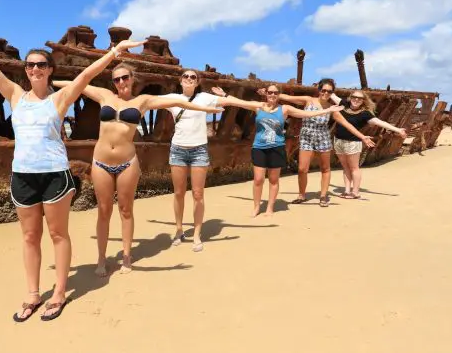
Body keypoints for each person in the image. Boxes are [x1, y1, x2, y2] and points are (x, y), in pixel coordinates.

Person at [0, 14, 142, 322]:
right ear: (26, 70)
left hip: (55, 175)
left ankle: (58, 292)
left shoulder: (59, 100)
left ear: (49, 71)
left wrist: (114, 53)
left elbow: (85, 75)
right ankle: (32, 293)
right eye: (30, 65)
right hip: (24, 176)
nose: (34, 69)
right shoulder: (15, 96)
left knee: (58, 233)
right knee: (30, 236)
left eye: (41, 65)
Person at [53, 65, 223, 275]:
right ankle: (101, 259)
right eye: (117, 80)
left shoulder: (142, 101)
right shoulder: (105, 95)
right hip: (100, 161)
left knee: (126, 210)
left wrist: (207, 110)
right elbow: (76, 85)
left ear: (132, 79)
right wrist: (50, 82)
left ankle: (126, 256)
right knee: (104, 211)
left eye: (125, 78)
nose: (121, 82)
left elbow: (177, 101)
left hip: (127, 162)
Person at [160, 70, 290, 250]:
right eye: (185, 76)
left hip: (199, 149)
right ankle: (179, 230)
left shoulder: (205, 97)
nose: (189, 79)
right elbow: (147, 102)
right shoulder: (172, 98)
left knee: (198, 194)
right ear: (180, 80)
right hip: (178, 150)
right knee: (179, 193)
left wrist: (256, 104)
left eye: (193, 77)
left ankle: (197, 235)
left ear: (197, 82)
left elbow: (231, 102)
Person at [262, 78, 374, 207]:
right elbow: (287, 97)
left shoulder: (332, 108)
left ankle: (323, 196)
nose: (325, 93)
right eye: (323, 90)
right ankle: (301, 195)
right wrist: (267, 93)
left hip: (323, 138)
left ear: (332, 93)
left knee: (325, 168)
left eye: (329, 91)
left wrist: (362, 137)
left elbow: (346, 124)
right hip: (306, 137)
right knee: (302, 169)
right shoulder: (308, 100)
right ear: (319, 90)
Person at [248, 84, 344, 216]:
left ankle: (270, 208)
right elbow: (238, 102)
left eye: (276, 93)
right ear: (266, 94)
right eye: (270, 92)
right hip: (259, 147)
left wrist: (327, 111)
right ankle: (257, 207)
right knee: (259, 179)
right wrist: (224, 96)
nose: (272, 95)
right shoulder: (258, 106)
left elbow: (305, 113)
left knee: (274, 180)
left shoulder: (284, 109)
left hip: (277, 147)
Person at [333, 90, 407, 199]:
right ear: (350, 97)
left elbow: (380, 122)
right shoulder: (344, 104)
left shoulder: (365, 113)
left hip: (353, 143)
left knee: (354, 168)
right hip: (338, 141)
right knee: (345, 167)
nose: (356, 99)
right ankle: (347, 191)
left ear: (363, 101)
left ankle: (355, 192)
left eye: (359, 98)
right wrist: (321, 87)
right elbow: (332, 95)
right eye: (354, 97)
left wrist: (398, 130)